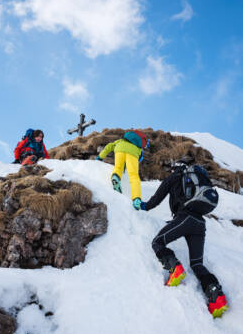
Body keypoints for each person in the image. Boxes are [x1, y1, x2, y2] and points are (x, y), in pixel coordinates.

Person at [139, 160, 228, 318]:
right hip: (199, 223)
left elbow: (159, 195)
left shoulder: (177, 175)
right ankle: (217, 297)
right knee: (197, 264)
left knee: (157, 242)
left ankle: (175, 268)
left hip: (185, 218)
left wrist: (144, 206)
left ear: (176, 168)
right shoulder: (195, 179)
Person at [96, 130, 150, 210]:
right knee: (134, 176)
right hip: (133, 153)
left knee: (118, 167)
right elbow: (140, 158)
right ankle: (136, 199)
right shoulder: (139, 148)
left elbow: (109, 147)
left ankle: (116, 177)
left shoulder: (120, 141)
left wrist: (100, 157)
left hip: (120, 149)